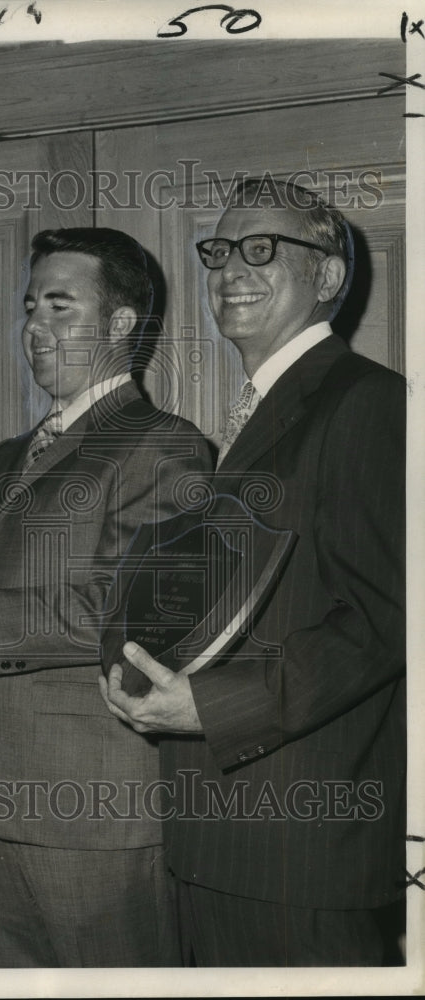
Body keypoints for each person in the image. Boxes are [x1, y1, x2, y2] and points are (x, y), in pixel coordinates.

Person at [0, 227, 212, 967]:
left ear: (121, 324)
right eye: (31, 306)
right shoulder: (7, 457)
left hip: (99, 809)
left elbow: (128, 615)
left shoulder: (164, 445)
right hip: (4, 796)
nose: (34, 325)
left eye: (60, 307)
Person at [101, 179, 406, 966]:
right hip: (218, 839)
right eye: (220, 250)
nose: (232, 268)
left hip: (300, 857)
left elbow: (384, 621)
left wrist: (208, 706)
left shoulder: (370, 404)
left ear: (329, 278)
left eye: (263, 248)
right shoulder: (254, 415)